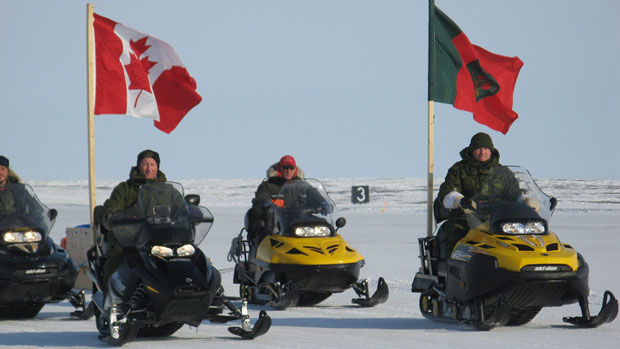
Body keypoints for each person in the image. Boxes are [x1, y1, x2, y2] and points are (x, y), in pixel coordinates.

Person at [95, 149, 167, 341]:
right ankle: (112, 309)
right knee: (119, 268)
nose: (148, 168)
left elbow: (180, 208)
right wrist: (114, 216)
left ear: (158, 167)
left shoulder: (167, 189)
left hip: (161, 241)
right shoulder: (125, 189)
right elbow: (110, 207)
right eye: (145, 164)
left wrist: (189, 214)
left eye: (152, 164)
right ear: (138, 166)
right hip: (129, 242)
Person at [435, 132, 516, 258]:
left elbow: (515, 192)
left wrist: (526, 200)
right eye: (478, 148)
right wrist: (458, 200)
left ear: (491, 150)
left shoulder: (503, 172)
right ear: (472, 150)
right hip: (466, 217)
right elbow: (447, 190)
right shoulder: (459, 169)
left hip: (497, 218)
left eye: (486, 148)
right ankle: (454, 269)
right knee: (456, 233)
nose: (482, 152)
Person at [246, 155, 305, 242]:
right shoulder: (267, 186)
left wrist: (322, 203)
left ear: (295, 169)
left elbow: (314, 195)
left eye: (291, 167)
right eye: (285, 167)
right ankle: (262, 251)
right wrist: (266, 204)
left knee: (320, 225)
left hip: (298, 221)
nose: (288, 171)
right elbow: (261, 199)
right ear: (279, 168)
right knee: (262, 225)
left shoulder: (303, 186)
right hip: (274, 222)